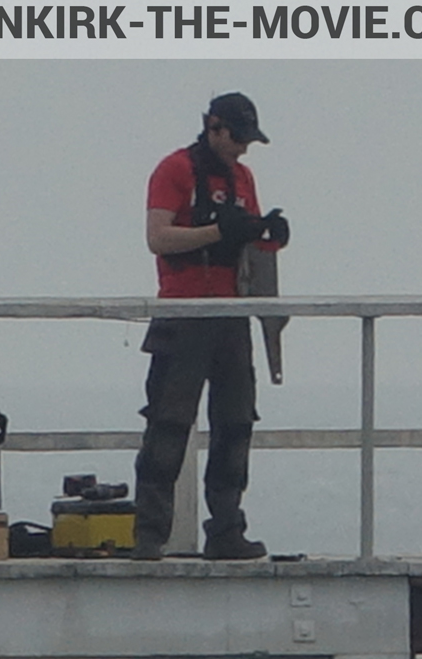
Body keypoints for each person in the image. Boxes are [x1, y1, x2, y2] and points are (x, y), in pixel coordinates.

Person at [131, 92, 290, 560]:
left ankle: (226, 530)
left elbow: (247, 247)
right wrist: (220, 231)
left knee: (235, 423)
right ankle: (150, 533)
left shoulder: (243, 177)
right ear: (214, 128)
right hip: (183, 313)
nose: (243, 149)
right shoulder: (174, 170)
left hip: (231, 314)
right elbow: (157, 238)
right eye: (238, 138)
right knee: (168, 422)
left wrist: (267, 236)